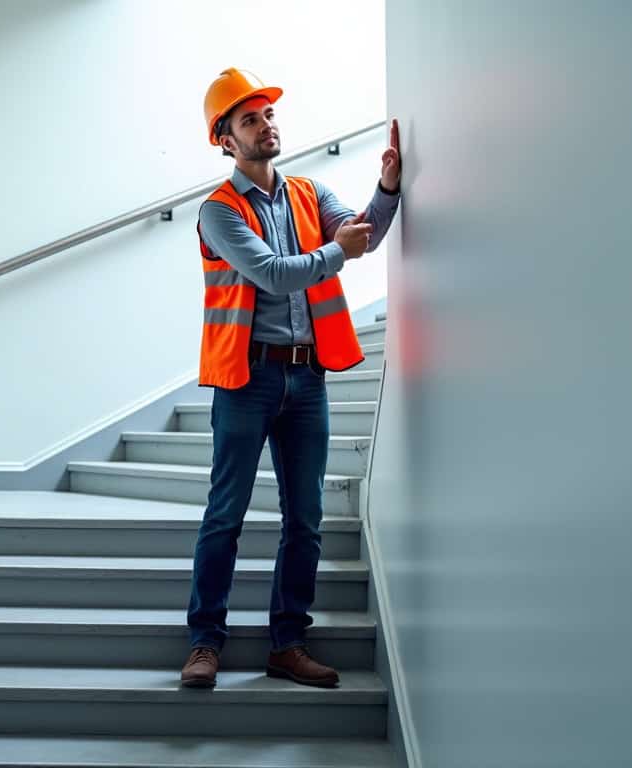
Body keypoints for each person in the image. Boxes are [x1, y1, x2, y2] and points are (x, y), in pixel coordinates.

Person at [181, 68, 402, 689]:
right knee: (225, 513)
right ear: (225, 139)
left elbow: (362, 233)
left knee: (304, 517)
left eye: (268, 116)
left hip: (307, 381)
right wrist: (341, 251)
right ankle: (205, 643)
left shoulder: (309, 192)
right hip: (245, 381)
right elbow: (275, 274)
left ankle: (288, 643)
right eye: (249, 119)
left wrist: (385, 189)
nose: (265, 125)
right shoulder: (217, 213)